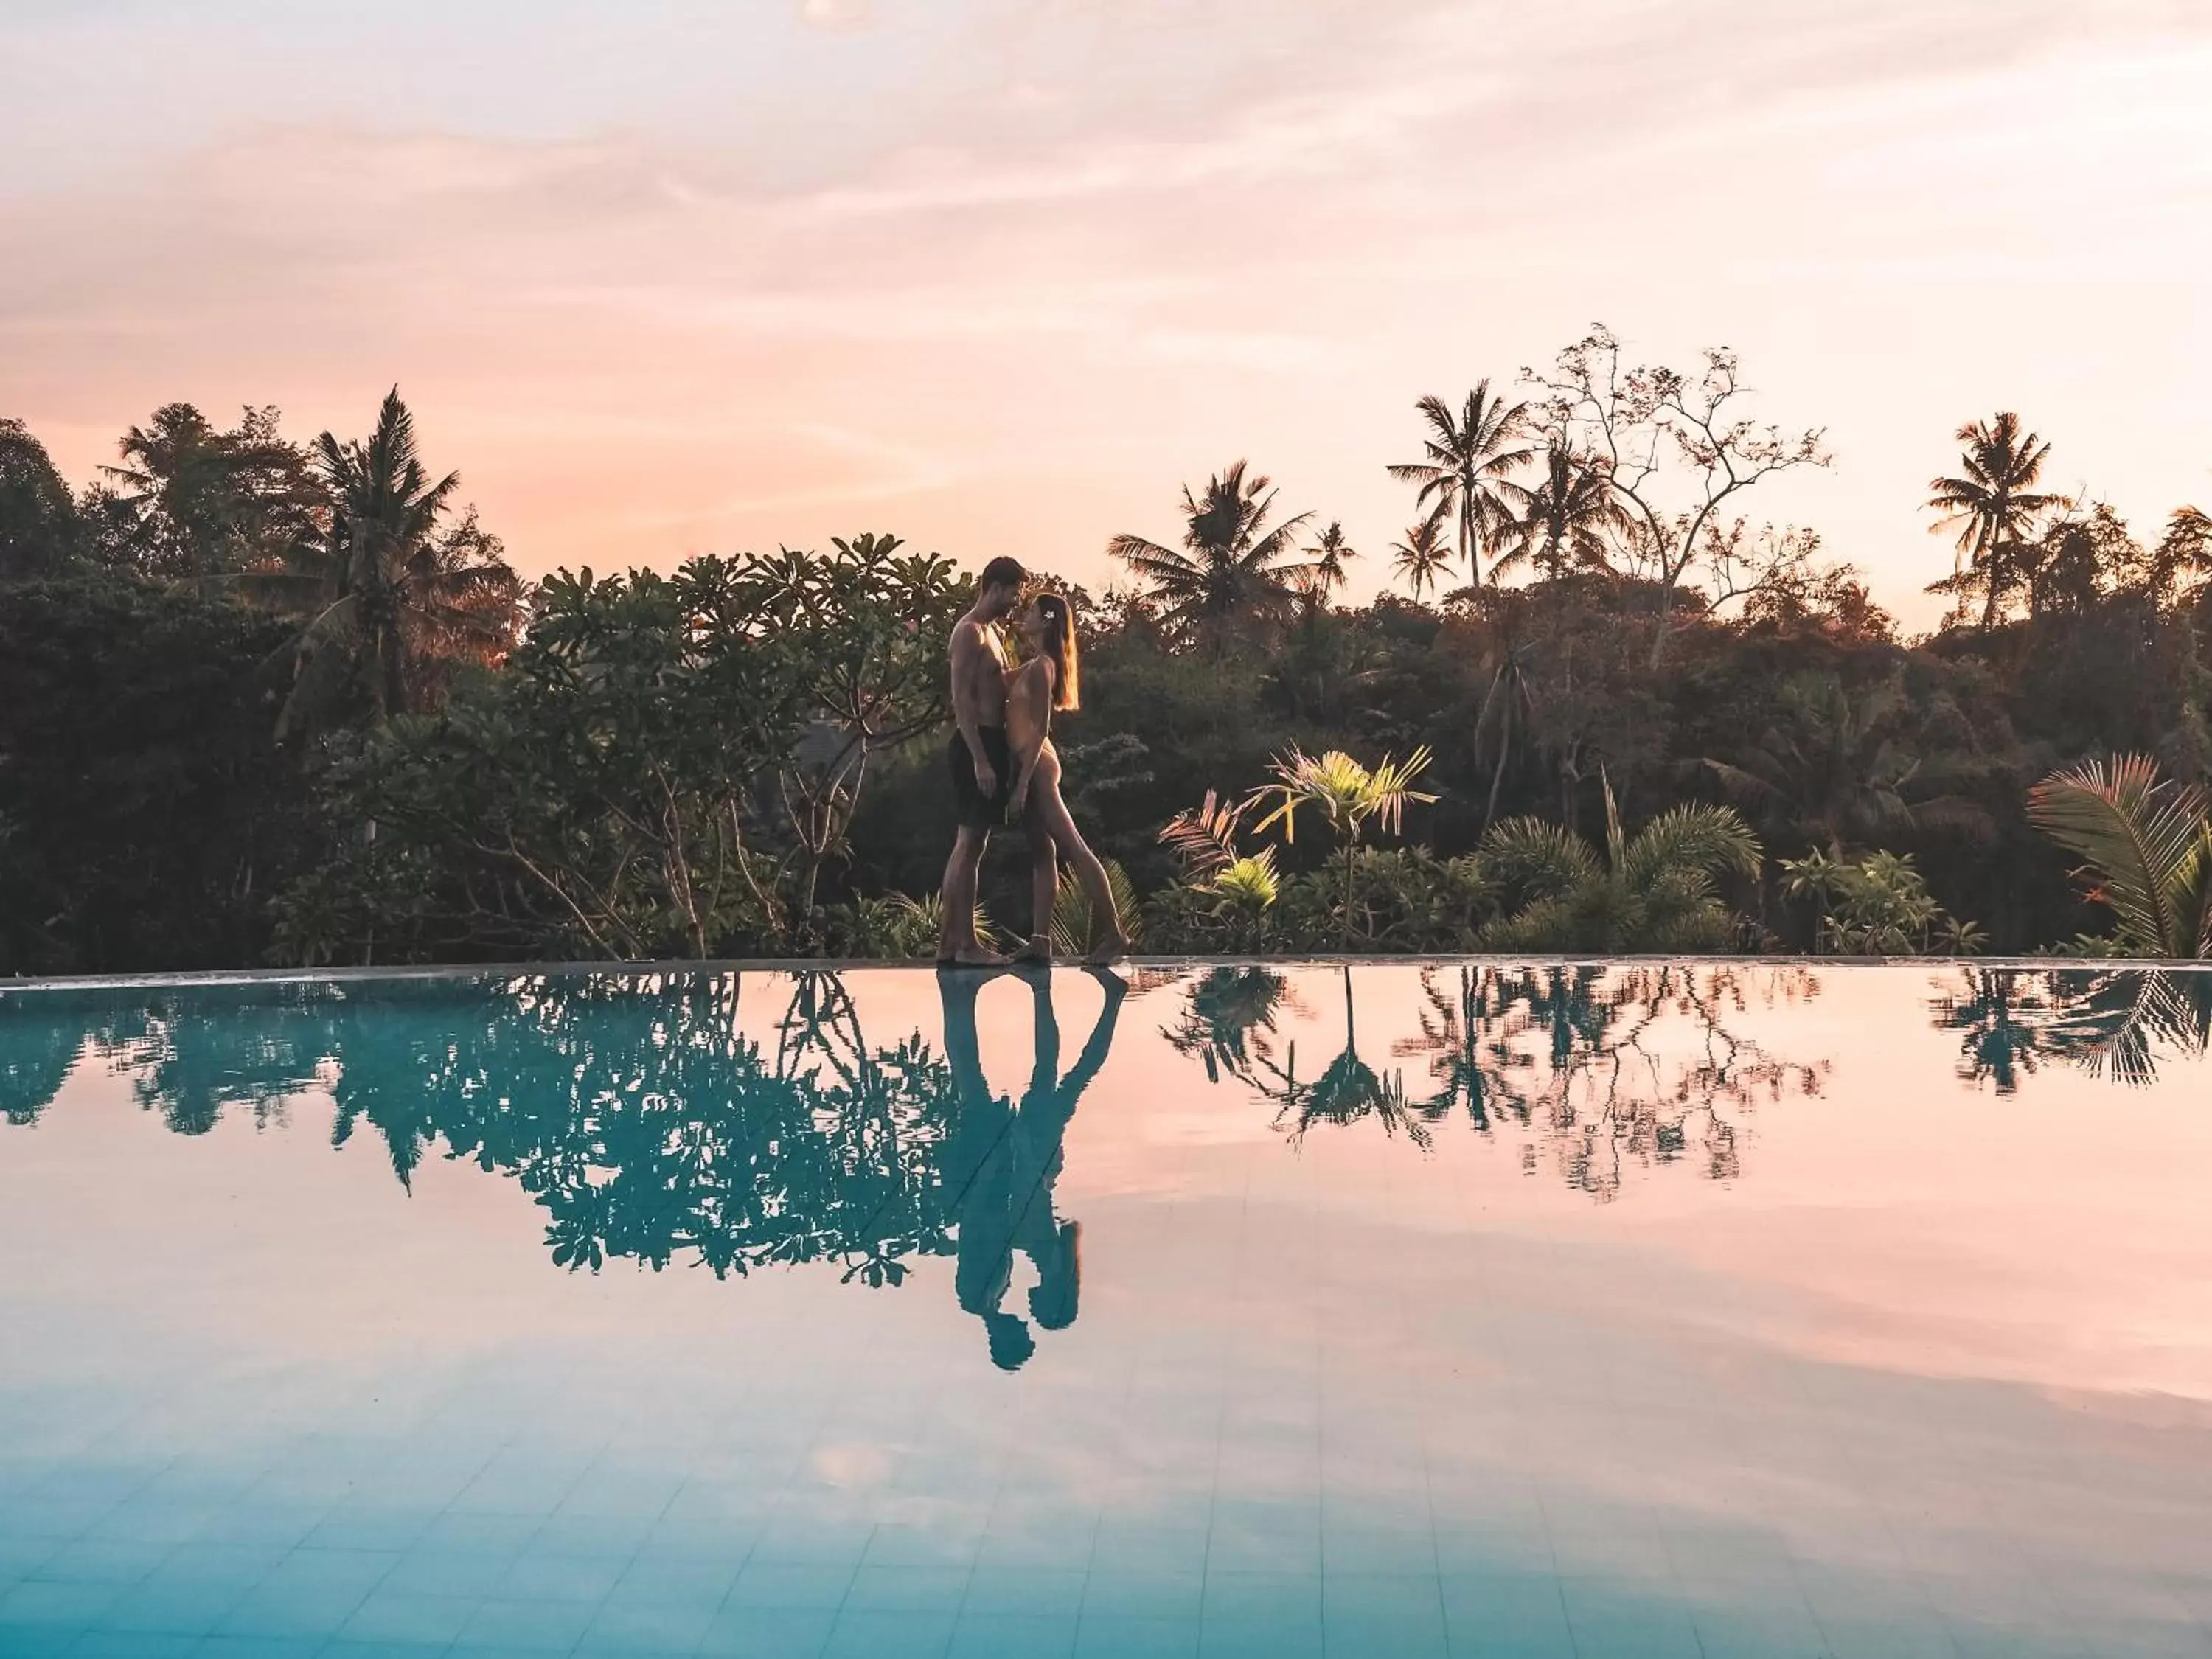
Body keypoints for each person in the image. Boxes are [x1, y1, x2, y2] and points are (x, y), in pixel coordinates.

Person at [938, 959, 1125, 1371]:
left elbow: (980, 1223)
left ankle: (1073, 997)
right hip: (1029, 1157)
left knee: (1061, 1077)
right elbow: (994, 1217)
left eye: (1022, 1332)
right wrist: (1009, 1155)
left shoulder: (987, 1291)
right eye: (1032, 1322)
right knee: (1039, 1076)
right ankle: (1048, 994)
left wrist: (999, 1160)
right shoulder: (996, 1286)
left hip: (1027, 1159)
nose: (1025, 1321)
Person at [1005, 592, 1130, 964]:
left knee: (1074, 846)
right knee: (1043, 853)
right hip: (1027, 765)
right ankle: (1041, 940)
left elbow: (1041, 728)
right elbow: (996, 676)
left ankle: (1115, 934)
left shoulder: (1042, 667)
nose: (1024, 615)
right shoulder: (1031, 666)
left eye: (1030, 611)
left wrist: (1024, 782)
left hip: (1037, 766)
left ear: (1045, 620)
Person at [937, 556, 1050, 966]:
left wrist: (1039, 667)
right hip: (976, 744)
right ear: (996, 587)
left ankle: (951, 944)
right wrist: (981, 760)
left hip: (990, 743)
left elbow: (998, 683)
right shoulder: (968, 633)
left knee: (972, 843)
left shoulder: (993, 634)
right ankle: (965, 946)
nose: (1017, 601)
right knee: (969, 844)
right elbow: (961, 701)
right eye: (1014, 592)